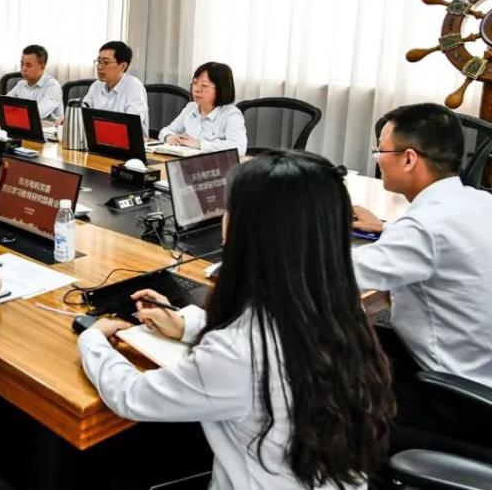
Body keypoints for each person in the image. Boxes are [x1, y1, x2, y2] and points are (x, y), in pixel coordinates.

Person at [79, 150, 395, 490]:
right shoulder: (336, 306)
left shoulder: (238, 352)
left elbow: (132, 395)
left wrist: (93, 339)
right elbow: (268, 335)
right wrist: (187, 325)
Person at [351, 103, 492, 448]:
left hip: (457, 401)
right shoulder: (483, 202)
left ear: (409, 158)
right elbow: (442, 245)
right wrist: (387, 230)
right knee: (368, 338)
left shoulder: (423, 228)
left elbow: (336, 274)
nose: (378, 159)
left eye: (381, 150)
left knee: (328, 382)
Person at [158, 61, 247, 155]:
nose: (196, 89)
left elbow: (239, 148)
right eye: (195, 83)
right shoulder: (191, 107)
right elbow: (166, 130)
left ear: (221, 89)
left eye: (204, 86)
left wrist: (199, 144)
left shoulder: (231, 114)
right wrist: (169, 137)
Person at [82, 40, 149, 133]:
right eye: (99, 61)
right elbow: (83, 113)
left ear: (123, 66)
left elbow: (131, 125)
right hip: (99, 138)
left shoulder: (134, 87)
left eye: (105, 62)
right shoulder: (96, 86)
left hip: (126, 140)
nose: (99, 67)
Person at [0, 44, 64, 119]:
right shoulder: (21, 84)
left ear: (42, 67)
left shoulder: (53, 87)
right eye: (22, 64)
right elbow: (6, 102)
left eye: (28, 65)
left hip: (48, 128)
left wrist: (11, 110)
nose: (23, 68)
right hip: (24, 127)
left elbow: (37, 113)